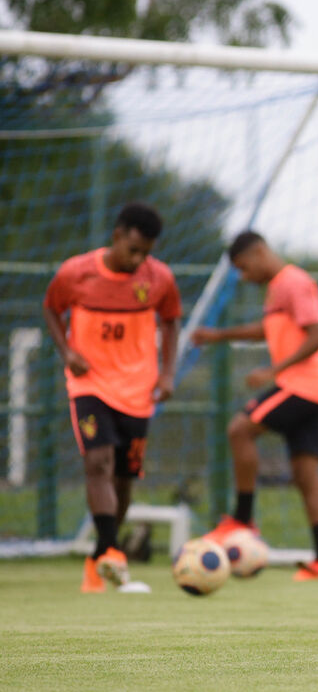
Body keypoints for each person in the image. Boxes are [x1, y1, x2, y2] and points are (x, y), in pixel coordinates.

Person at [43, 203, 181, 593]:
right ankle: (109, 552)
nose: (139, 260)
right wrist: (66, 351)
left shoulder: (159, 278)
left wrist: (167, 373)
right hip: (89, 385)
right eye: (133, 250)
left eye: (146, 252)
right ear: (117, 236)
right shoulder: (75, 272)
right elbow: (52, 309)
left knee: (123, 478)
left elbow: (171, 320)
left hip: (138, 391)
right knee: (98, 462)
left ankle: (98, 559)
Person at [191, 232, 318, 581]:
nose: (244, 277)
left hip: (305, 386)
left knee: (239, 429)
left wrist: (274, 371)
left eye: (244, 268)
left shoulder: (293, 281)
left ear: (259, 252)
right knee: (306, 474)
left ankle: (242, 518)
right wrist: (218, 336)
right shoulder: (278, 287)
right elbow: (268, 329)